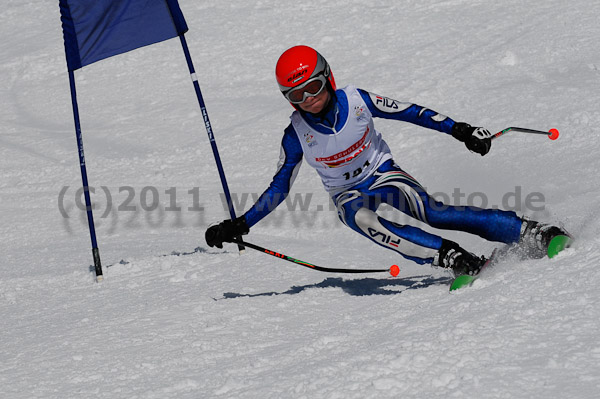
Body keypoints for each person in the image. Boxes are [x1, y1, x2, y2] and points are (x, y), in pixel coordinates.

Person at [205, 45, 569, 276]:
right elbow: (280, 187)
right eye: (297, 94)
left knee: (434, 212)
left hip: (381, 172)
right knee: (364, 220)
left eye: (314, 87)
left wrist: (459, 129)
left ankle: (528, 231)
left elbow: (412, 113)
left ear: (328, 78)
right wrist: (242, 222)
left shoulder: (358, 100)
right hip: (346, 192)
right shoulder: (296, 134)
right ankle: (452, 258)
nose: (309, 99)